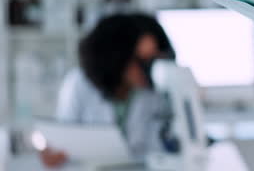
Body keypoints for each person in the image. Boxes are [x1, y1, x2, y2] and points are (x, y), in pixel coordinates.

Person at [40, 13, 176, 167]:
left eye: (153, 61)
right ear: (117, 57)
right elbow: (62, 144)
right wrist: (55, 153)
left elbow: (166, 145)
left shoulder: (157, 93)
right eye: (141, 62)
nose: (148, 70)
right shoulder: (79, 84)